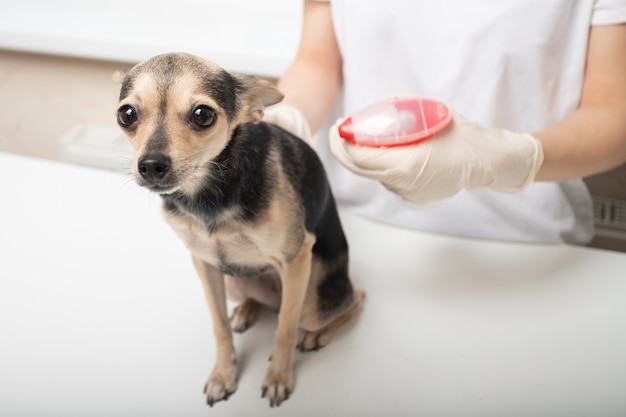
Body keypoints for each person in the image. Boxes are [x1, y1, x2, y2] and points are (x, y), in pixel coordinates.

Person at [264, 0, 626, 244]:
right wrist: (279, 126)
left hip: (523, 240)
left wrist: (507, 158)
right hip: (352, 229)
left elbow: (612, 115)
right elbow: (317, 62)